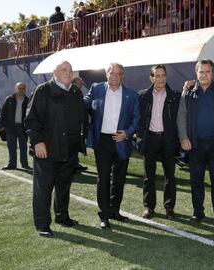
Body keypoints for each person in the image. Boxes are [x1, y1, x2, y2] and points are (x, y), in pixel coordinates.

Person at [25, 61, 88, 237]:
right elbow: (30, 120)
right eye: (63, 70)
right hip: (47, 150)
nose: (68, 73)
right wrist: (37, 141)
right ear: (55, 72)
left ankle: (62, 216)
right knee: (43, 189)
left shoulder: (75, 92)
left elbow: (82, 117)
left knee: (64, 187)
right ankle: (42, 224)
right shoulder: (43, 90)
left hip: (69, 151)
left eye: (70, 70)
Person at [84, 63, 140, 229]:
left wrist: (127, 133)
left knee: (119, 179)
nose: (115, 76)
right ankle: (104, 214)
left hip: (122, 140)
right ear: (106, 74)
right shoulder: (96, 89)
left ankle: (115, 210)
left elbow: (137, 118)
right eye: (112, 73)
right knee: (103, 179)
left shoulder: (131, 94)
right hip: (102, 141)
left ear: (122, 76)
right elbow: (84, 103)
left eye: (118, 73)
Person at [177, 59, 214, 224]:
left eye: (207, 72)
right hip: (195, 144)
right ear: (196, 73)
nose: (204, 75)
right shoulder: (189, 91)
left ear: (213, 73)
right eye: (201, 72)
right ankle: (198, 212)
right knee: (196, 181)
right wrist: (184, 137)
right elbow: (181, 116)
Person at [138, 65, 180, 220]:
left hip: (168, 140)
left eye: (163, 75)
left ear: (166, 77)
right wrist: (140, 136)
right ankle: (149, 207)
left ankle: (169, 207)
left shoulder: (175, 96)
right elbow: (139, 118)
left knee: (170, 176)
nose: (160, 78)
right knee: (149, 176)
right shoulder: (143, 95)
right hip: (149, 139)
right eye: (157, 75)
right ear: (151, 78)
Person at [0, 82, 30, 170]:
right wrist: (2, 125)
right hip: (11, 127)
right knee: (11, 147)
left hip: (23, 128)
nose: (21, 90)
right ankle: (11, 164)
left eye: (23, 88)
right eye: (19, 88)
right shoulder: (9, 99)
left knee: (23, 147)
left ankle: (24, 164)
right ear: (15, 89)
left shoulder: (28, 100)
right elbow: (3, 112)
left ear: (25, 90)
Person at [72, 76, 88, 174]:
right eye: (80, 83)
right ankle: (74, 166)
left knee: (76, 146)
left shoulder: (76, 91)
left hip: (76, 124)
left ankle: (75, 165)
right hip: (75, 125)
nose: (82, 85)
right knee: (74, 146)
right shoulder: (75, 92)